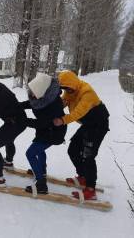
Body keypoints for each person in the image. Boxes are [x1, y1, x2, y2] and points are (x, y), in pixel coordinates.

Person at [54, 70, 109, 200]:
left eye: (68, 88)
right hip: (88, 125)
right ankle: (83, 176)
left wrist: (62, 120)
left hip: (98, 124)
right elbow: (63, 102)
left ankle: (90, 189)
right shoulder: (70, 91)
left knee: (88, 155)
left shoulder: (87, 92)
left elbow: (79, 112)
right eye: (64, 89)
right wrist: (51, 107)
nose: (67, 91)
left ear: (73, 84)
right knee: (73, 149)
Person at [19, 73, 67, 194]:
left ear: (42, 91)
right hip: (46, 130)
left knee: (30, 153)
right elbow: (33, 103)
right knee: (39, 151)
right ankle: (42, 172)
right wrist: (18, 106)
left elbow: (41, 123)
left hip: (53, 133)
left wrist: (23, 121)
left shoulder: (53, 105)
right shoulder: (44, 96)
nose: (31, 95)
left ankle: (41, 184)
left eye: (34, 92)